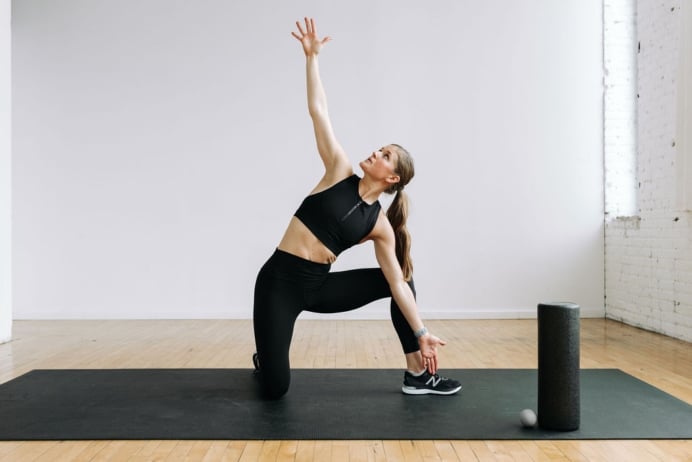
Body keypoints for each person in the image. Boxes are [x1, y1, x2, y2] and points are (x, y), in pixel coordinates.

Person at [252, 17, 461, 400]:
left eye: (385, 155)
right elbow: (319, 112)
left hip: (318, 288)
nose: (375, 153)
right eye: (380, 148)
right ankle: (265, 356)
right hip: (278, 284)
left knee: (402, 280)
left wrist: (422, 332)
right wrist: (312, 58)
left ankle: (417, 374)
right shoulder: (338, 170)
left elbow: (396, 283)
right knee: (275, 389)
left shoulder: (379, 225)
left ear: (392, 178)